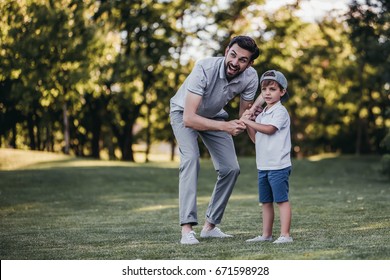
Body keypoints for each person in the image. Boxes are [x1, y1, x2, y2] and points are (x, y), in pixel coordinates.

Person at [170, 35, 264, 245]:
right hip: (184, 114)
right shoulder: (204, 68)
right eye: (233, 55)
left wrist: (261, 144)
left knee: (231, 168)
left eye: (243, 60)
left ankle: (210, 227)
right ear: (226, 50)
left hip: (215, 116)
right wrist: (226, 126)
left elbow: (244, 116)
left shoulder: (250, 77)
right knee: (191, 158)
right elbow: (189, 118)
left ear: (250, 63)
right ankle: (187, 230)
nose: (235, 62)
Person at [241, 70, 293, 244]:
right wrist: (248, 120)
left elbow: (270, 130)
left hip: (278, 165)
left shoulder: (280, 112)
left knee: (281, 201)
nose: (268, 93)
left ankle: (285, 235)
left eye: (272, 89)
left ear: (282, 91)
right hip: (263, 165)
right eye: (264, 89)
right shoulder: (262, 115)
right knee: (266, 202)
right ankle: (266, 235)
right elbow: (256, 138)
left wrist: (248, 121)